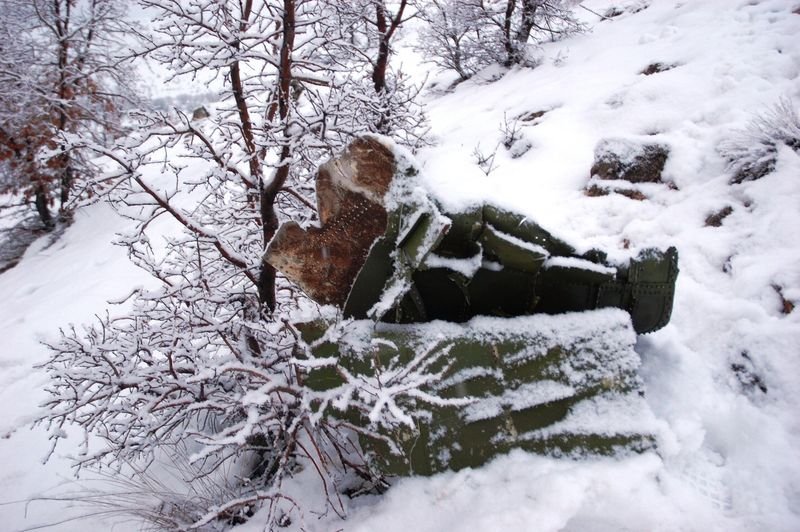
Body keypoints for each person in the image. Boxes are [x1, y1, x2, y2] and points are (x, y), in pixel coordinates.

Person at [266, 136, 678, 334]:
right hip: (453, 285)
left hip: (460, 268)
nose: (318, 236)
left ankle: (620, 284)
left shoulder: (365, 242)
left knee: (504, 241)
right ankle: (620, 285)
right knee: (507, 249)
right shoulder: (359, 285)